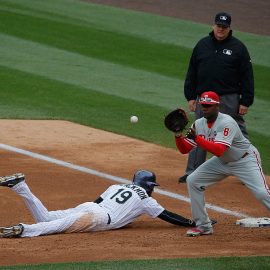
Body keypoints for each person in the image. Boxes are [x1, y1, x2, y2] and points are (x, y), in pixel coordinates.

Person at [174, 91, 270, 237]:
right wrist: (178, 135)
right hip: (222, 161)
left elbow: (219, 150)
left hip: (245, 160)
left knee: (262, 193)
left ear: (217, 106)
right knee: (193, 180)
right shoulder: (198, 124)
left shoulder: (227, 122)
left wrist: (197, 139)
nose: (204, 108)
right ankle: (204, 226)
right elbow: (184, 149)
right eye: (202, 105)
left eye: (208, 105)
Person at [0, 170, 198, 238]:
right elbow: (167, 215)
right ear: (148, 186)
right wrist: (190, 222)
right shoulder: (147, 199)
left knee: (47, 218)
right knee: (55, 227)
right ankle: (24, 230)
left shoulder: (116, 185)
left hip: (89, 207)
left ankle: (21, 187)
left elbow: (98, 202)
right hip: (98, 218)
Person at [179, 12, 254, 183]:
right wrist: (190, 96)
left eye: (224, 27)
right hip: (204, 98)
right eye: (218, 26)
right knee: (199, 131)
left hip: (228, 98)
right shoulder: (202, 45)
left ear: (229, 28)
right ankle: (193, 171)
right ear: (213, 26)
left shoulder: (238, 48)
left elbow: (247, 76)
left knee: (238, 133)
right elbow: (192, 71)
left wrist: (245, 100)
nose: (221, 29)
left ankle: (249, 172)